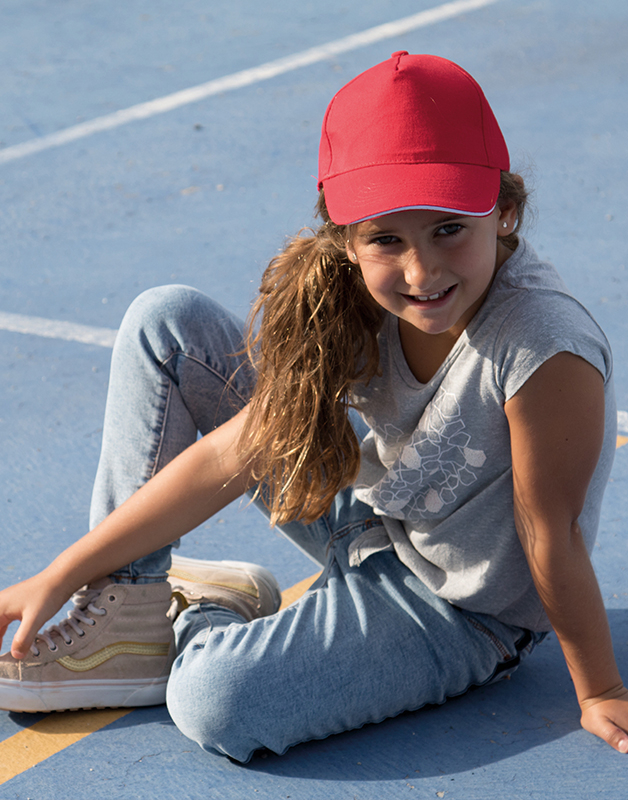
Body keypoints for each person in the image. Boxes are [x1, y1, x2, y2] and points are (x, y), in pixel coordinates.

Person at [0, 52, 626, 763]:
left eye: (449, 228)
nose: (422, 271)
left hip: (456, 611)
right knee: (167, 324)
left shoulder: (542, 348)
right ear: (346, 240)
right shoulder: (346, 293)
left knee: (213, 698)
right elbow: (230, 454)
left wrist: (599, 688)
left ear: (503, 210)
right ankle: (129, 615)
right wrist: (66, 572)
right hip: (376, 513)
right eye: (387, 239)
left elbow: (554, 532)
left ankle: (207, 616)